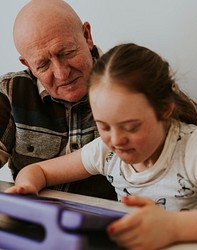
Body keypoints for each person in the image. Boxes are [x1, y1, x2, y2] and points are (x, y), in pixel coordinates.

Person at [6, 42, 197, 250]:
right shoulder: (105, 152)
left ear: (164, 110)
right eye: (104, 126)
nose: (116, 140)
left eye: (131, 127)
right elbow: (39, 171)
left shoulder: (192, 149)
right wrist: (26, 190)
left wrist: (173, 227)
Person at [0, 0, 117, 200]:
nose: (62, 74)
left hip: (110, 223)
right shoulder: (11, 90)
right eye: (43, 64)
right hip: (34, 220)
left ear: (87, 36)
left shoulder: (131, 82)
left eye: (67, 53)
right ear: (27, 63)